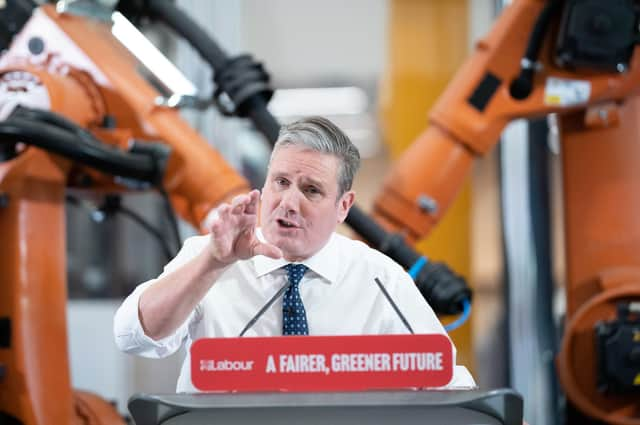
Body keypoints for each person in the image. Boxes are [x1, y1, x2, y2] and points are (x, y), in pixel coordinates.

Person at [113, 116, 475, 392]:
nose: (288, 203)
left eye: (311, 190)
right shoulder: (207, 256)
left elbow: (445, 380)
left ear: (343, 206)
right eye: (281, 182)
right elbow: (134, 335)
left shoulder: (379, 277)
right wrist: (214, 262)